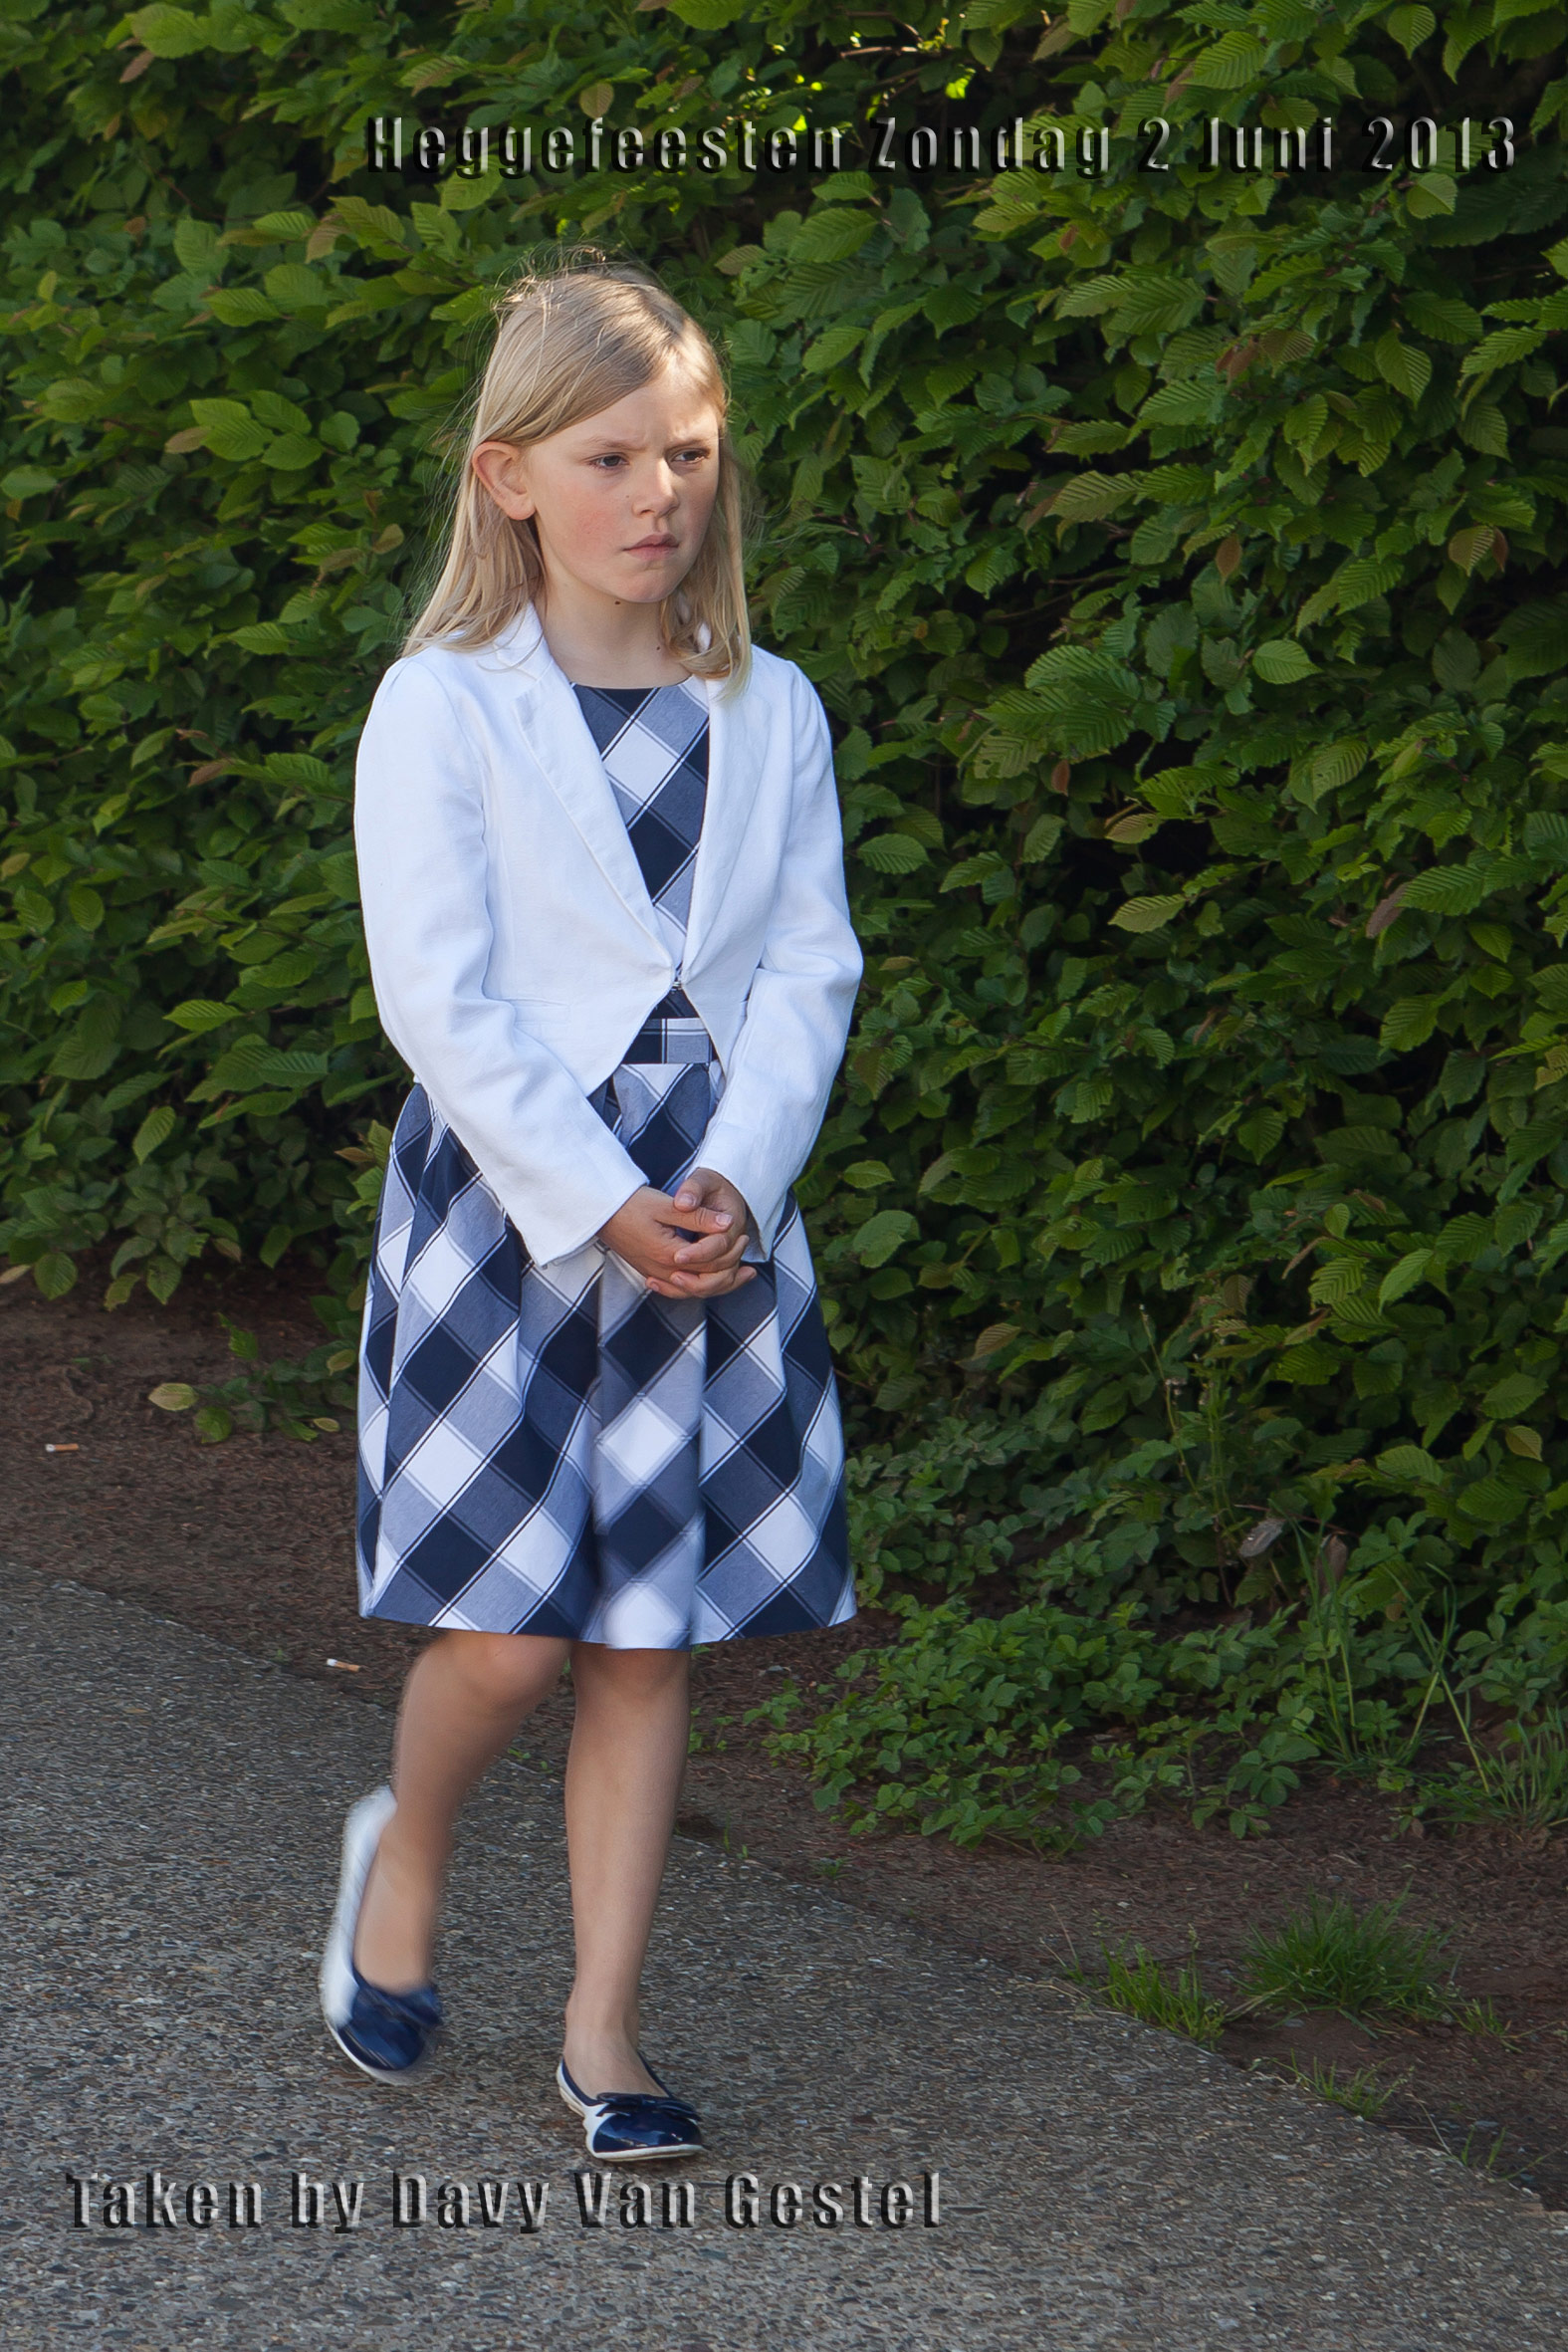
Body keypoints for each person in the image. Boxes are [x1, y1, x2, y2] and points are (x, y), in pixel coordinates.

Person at [319, 255, 863, 2164]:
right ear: (510, 478)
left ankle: (604, 2031)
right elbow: (438, 997)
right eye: (612, 457)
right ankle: (407, 1848)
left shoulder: (770, 708)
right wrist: (603, 1196)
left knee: (646, 1636)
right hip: (514, 1219)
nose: (661, 493)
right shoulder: (442, 708)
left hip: (711, 1224)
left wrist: (736, 1178)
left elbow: (809, 967)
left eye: (689, 453)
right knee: (510, 1637)